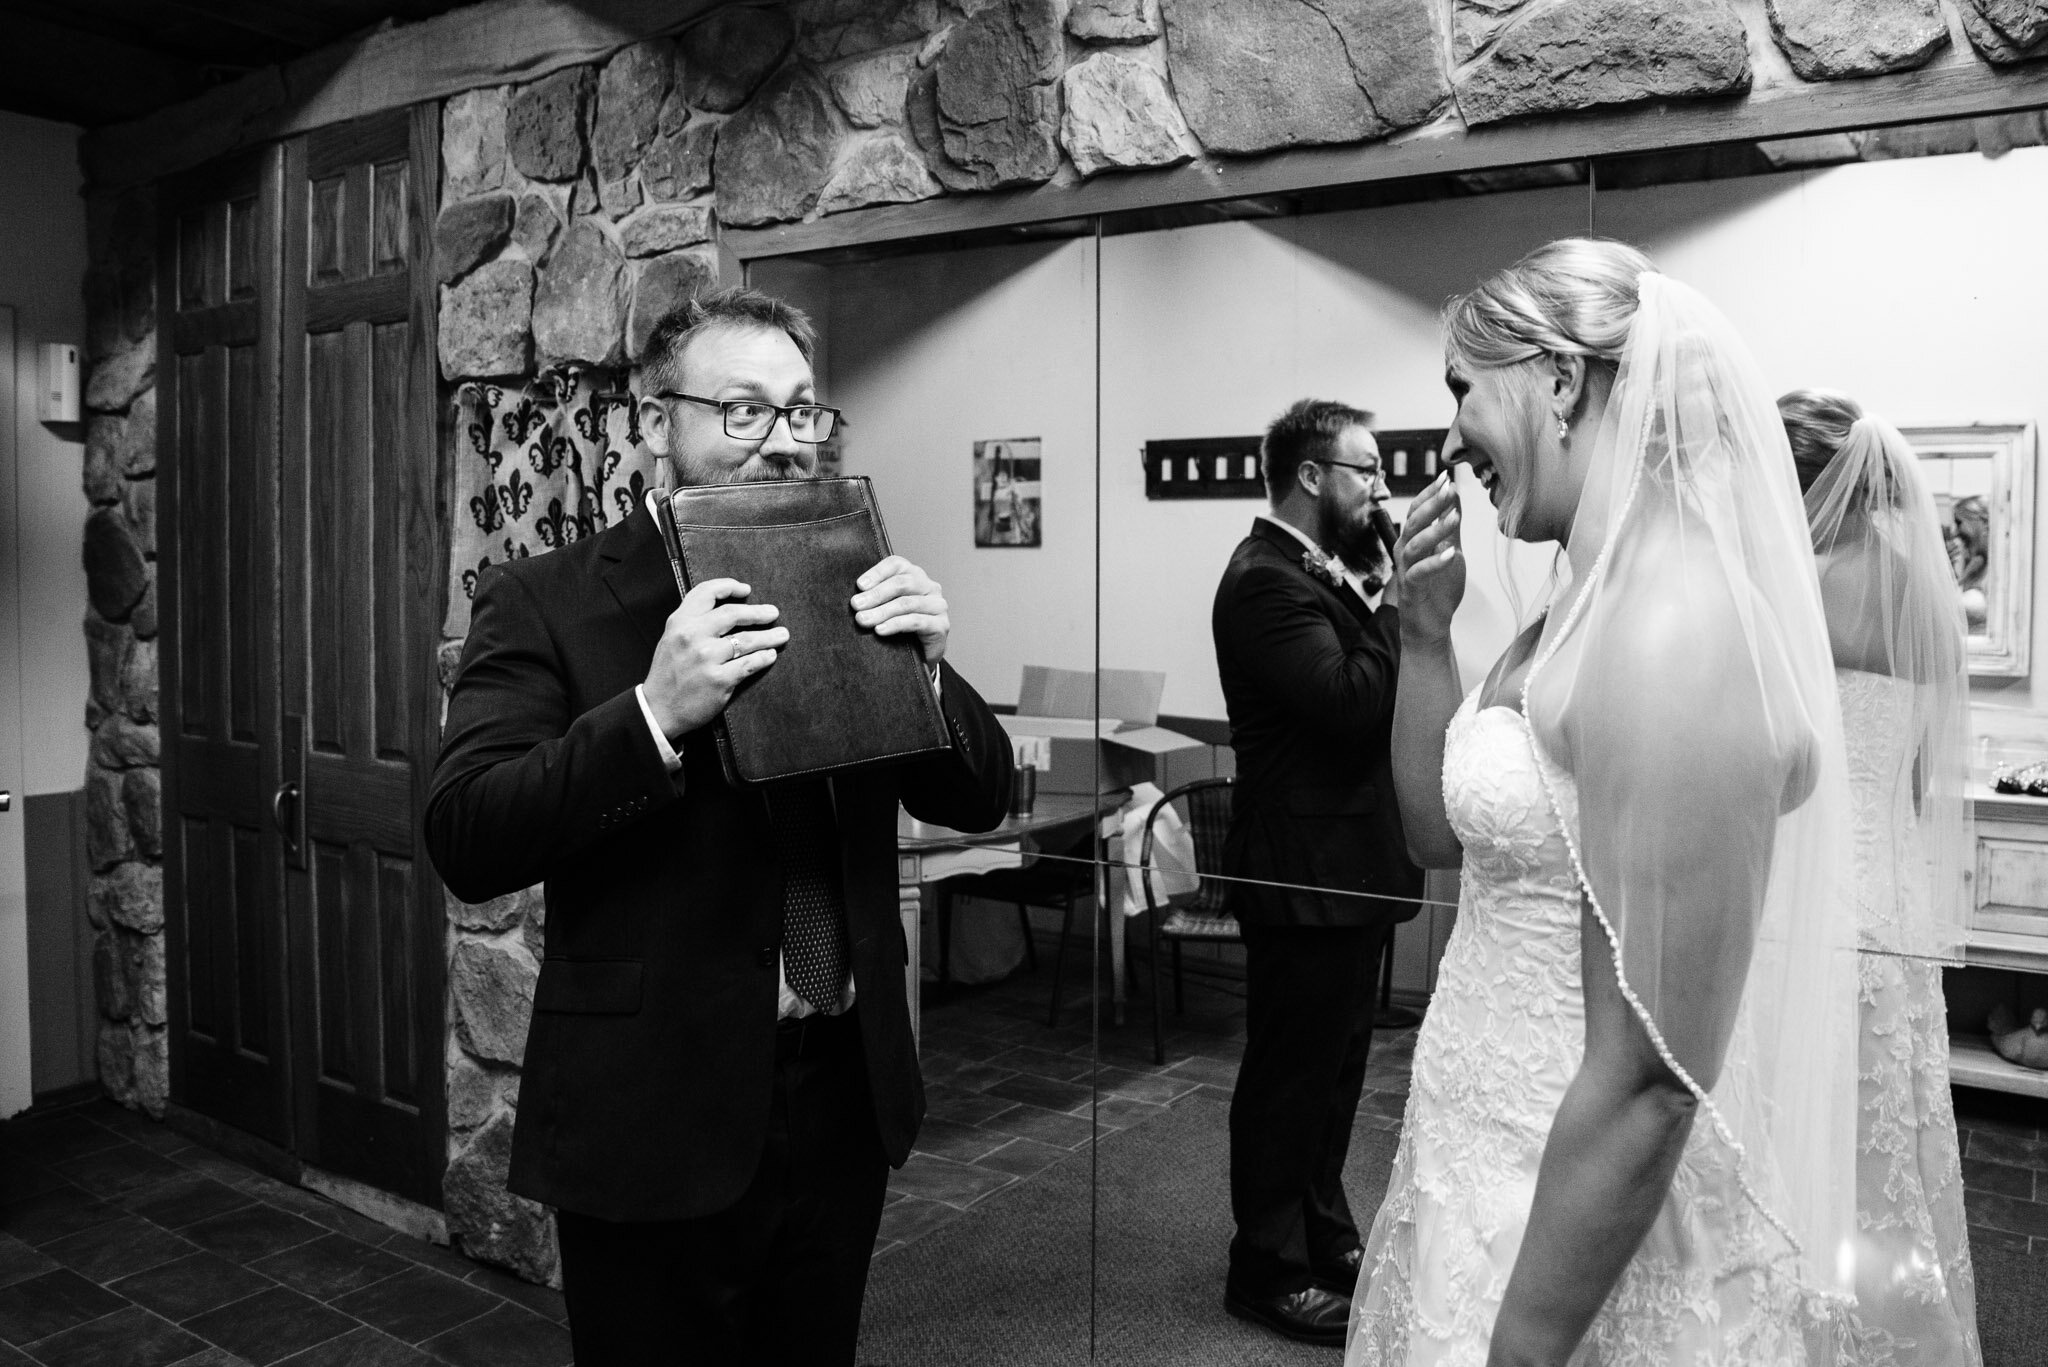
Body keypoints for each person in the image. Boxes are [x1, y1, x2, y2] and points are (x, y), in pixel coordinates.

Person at [424, 288, 1014, 1365]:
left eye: (799, 412)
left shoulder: (851, 577)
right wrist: (651, 714)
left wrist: (931, 670)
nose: (781, 442)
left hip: (841, 1090)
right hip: (653, 1108)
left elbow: (979, 797)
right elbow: (467, 833)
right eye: (742, 411)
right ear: (658, 423)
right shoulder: (547, 599)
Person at [1350, 239, 1863, 1365]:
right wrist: (1424, 636)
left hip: (1573, 1219)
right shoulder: (1573, 604)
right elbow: (1440, 840)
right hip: (1476, 1144)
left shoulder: (1670, 633)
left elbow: (1646, 1079)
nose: (1443, 441)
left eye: (1460, 390)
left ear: (1559, 380)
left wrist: (1521, 1347)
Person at [1210, 399, 1423, 1346]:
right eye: (1367, 470)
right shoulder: (1262, 581)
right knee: (1289, 1078)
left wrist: (1378, 588)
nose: (1381, 489)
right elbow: (1345, 706)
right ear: (1312, 477)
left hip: (1347, 867)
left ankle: (1323, 1230)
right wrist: (1401, 607)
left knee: (1336, 1072)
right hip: (1301, 871)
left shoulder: (1317, 570)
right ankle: (1265, 1266)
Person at [1782, 388, 1983, 1367]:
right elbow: (1913, 774)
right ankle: (1894, 1324)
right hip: (1891, 886)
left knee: (1803, 1119)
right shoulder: (1924, 592)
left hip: (1809, 884)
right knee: (1888, 1131)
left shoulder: (1796, 581)